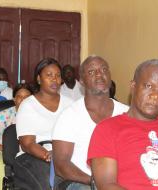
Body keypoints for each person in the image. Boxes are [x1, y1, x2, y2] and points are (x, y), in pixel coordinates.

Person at [87, 59, 158, 190]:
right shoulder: (108, 129)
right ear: (133, 87)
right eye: (149, 86)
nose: (156, 96)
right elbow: (107, 185)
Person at [52, 55, 129, 189]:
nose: (99, 74)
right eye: (92, 71)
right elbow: (61, 165)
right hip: (83, 182)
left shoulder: (127, 114)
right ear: (82, 81)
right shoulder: (69, 116)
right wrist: (95, 182)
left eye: (104, 70)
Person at [13, 58, 73, 189]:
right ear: (39, 79)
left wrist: (61, 156)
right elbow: (27, 144)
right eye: (49, 75)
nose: (54, 79)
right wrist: (49, 155)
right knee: (50, 182)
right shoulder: (28, 105)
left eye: (58, 75)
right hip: (32, 156)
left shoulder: (70, 104)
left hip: (64, 154)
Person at [0, 83, 32, 190]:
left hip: (27, 154)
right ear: (14, 99)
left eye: (27, 97)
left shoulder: (36, 116)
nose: (23, 100)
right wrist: (8, 152)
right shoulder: (6, 114)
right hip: (0, 152)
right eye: (20, 97)